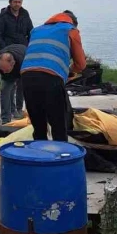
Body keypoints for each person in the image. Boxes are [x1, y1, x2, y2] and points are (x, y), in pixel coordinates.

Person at [21, 10, 86, 142]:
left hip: (27, 77)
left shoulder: (36, 30)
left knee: (38, 126)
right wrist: (69, 70)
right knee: (58, 125)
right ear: (73, 22)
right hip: (51, 79)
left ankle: (40, 157)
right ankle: (61, 158)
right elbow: (81, 64)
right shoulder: (71, 30)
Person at [0, 0, 33, 116]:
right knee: (9, 83)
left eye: (19, 2)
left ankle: (19, 108)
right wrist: (5, 50)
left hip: (22, 52)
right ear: (10, 2)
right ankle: (10, 110)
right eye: (15, 2)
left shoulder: (25, 14)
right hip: (8, 54)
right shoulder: (3, 16)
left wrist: (30, 47)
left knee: (22, 82)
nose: (17, 4)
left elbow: (31, 31)